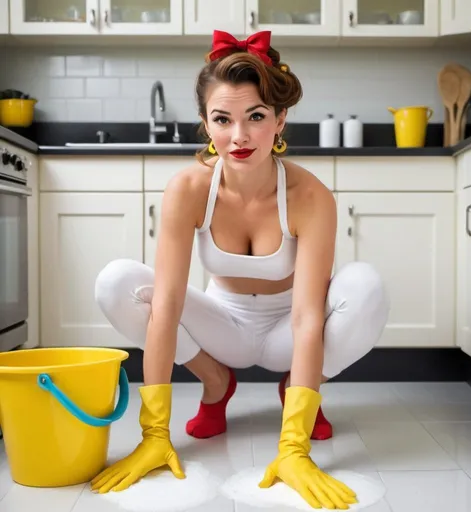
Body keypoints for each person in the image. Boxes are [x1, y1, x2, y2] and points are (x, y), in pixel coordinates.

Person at [90, 29, 390, 510]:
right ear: (206, 124)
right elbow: (166, 305)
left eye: (256, 116)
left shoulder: (310, 197)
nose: (240, 136)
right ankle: (215, 383)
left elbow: (310, 317)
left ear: (280, 118)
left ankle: (298, 390)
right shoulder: (188, 189)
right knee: (117, 282)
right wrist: (154, 433)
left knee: (367, 285)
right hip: (223, 325)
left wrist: (293, 449)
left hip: (288, 331)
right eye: (222, 119)